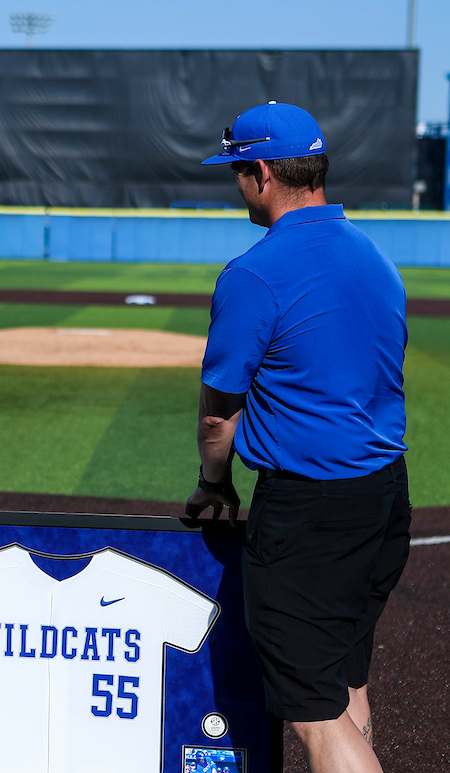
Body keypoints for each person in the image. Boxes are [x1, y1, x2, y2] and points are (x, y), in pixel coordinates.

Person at [186, 102, 410, 773]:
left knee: (312, 712)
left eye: (237, 172)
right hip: (384, 497)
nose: (237, 186)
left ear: (261, 173)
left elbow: (217, 416)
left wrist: (214, 483)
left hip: (311, 513)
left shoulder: (256, 271)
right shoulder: (374, 255)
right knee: (342, 685)